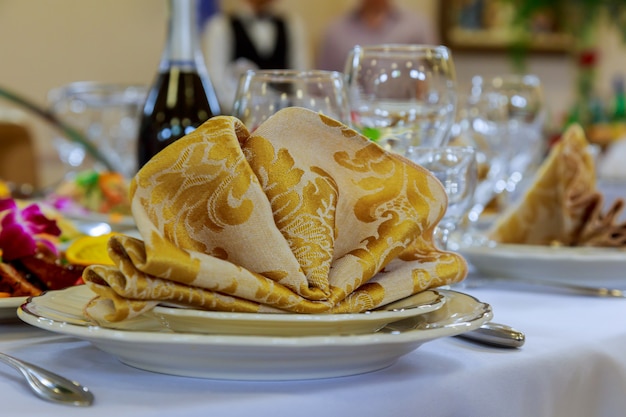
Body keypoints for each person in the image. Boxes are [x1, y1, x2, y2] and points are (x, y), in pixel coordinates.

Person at [201, 0, 311, 113]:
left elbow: (301, 82)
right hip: (239, 120)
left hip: (285, 118)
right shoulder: (220, 26)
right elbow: (217, 87)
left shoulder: (292, 25)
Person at [317, 0, 437, 72]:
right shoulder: (334, 32)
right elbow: (321, 89)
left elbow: (436, 78)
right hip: (351, 113)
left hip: (406, 112)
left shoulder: (417, 26)